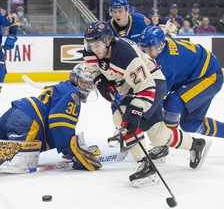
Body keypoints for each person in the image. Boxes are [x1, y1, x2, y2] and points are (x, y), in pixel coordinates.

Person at [83, 21, 211, 187]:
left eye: (97, 45)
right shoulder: (90, 50)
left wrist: (135, 111)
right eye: (90, 44)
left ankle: (145, 165)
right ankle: (196, 144)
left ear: (108, 40)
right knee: (158, 135)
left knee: (123, 119)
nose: (94, 49)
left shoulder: (125, 55)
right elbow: (94, 69)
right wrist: (100, 81)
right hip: (132, 86)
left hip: (152, 84)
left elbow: (147, 87)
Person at [0, 63, 102, 173]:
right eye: (84, 83)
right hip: (29, 121)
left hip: (16, 112)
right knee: (18, 157)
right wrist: (72, 151)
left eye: (89, 84)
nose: (87, 88)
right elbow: (60, 124)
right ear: (74, 79)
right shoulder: (73, 95)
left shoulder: (63, 87)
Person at [139, 26, 223, 161]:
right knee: (191, 124)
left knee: (172, 103)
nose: (146, 53)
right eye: (144, 49)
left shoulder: (166, 64)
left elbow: (158, 98)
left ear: (160, 46)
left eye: (150, 49)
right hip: (197, 74)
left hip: (210, 76)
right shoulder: (160, 49)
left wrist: (140, 116)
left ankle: (164, 144)